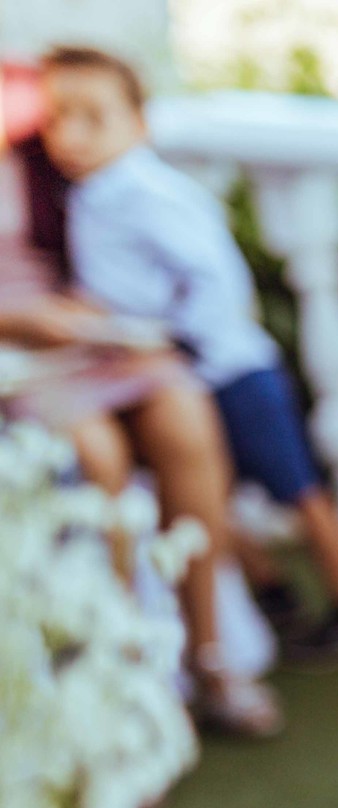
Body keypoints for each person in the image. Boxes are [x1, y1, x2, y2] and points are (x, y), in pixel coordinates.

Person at [39, 45, 338, 665]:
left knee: (296, 486)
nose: (72, 135)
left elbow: (211, 280)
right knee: (210, 495)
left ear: (139, 123)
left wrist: (177, 339)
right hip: (166, 369)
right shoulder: (86, 197)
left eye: (94, 117)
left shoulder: (148, 191)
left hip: (224, 368)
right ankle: (272, 592)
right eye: (58, 118)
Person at [3, 101, 284, 737]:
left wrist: (121, 318)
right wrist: (21, 322)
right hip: (17, 353)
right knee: (96, 455)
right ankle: (127, 669)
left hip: (94, 336)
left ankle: (209, 655)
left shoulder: (41, 136)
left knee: (184, 414)